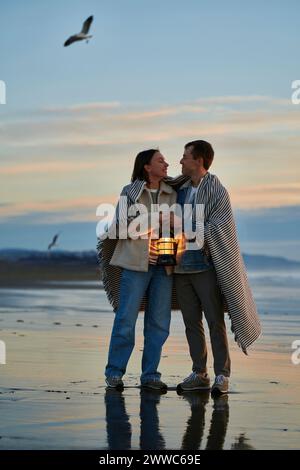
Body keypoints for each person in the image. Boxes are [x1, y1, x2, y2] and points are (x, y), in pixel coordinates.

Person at [173, 140, 261, 396]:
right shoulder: (179, 190)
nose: (181, 161)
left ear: (198, 160)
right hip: (180, 267)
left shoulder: (218, 191)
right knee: (191, 323)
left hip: (206, 266)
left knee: (215, 321)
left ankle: (222, 375)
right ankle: (199, 373)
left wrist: (186, 226)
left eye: (185, 156)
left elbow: (221, 227)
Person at [102, 149, 177, 391]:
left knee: (159, 323)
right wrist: (149, 225)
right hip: (134, 266)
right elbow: (118, 229)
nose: (166, 163)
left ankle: (151, 376)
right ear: (147, 166)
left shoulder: (172, 193)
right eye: (160, 160)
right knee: (125, 320)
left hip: (164, 268)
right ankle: (114, 373)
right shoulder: (130, 192)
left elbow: (180, 227)